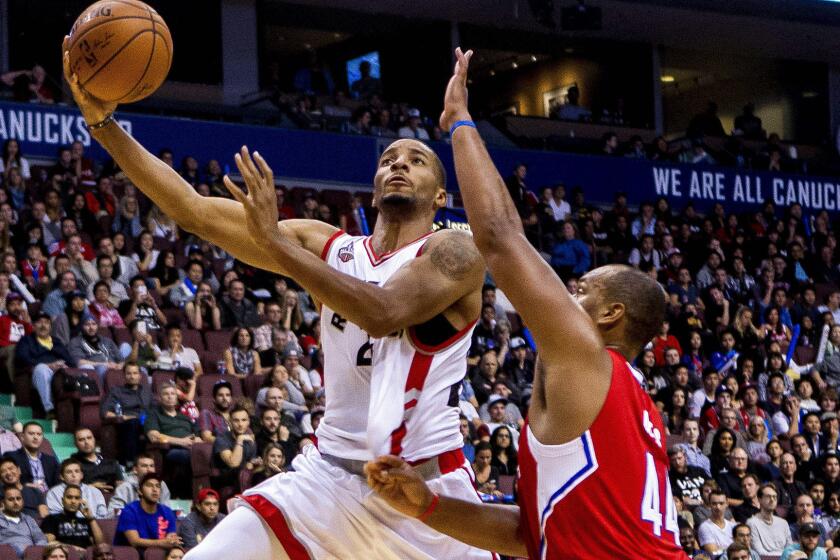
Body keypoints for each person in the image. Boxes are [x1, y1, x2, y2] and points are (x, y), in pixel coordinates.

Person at [65, 41, 492, 560]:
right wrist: (104, 124)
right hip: (326, 481)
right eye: (388, 160)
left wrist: (275, 245)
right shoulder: (325, 244)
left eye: (417, 160)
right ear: (374, 188)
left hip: (427, 495)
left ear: (440, 196)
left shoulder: (455, 251)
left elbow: (383, 313)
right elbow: (193, 211)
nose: (399, 164)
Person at [364, 47, 686, 559]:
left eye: (580, 290)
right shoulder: (617, 400)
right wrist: (427, 505)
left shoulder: (588, 359)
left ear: (610, 316)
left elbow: (498, 237)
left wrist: (461, 122)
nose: (563, 292)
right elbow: (530, 534)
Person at [143, 383, 200, 499]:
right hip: (169, 450)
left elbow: (198, 435)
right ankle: (185, 497)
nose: (170, 396)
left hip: (192, 449)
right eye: (166, 394)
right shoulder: (153, 414)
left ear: (176, 397)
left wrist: (197, 441)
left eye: (173, 394)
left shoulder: (185, 417)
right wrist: (182, 441)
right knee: (186, 456)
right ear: (160, 398)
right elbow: (153, 436)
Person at [15, 312, 74, 417]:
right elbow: (22, 357)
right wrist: (48, 365)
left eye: (46, 323)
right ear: (33, 326)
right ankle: (49, 409)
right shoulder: (26, 340)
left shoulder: (56, 342)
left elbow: (70, 361)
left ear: (50, 327)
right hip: (36, 374)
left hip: (58, 373)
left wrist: (62, 364)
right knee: (41, 368)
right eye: (39, 322)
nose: (43, 325)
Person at [100, 362, 152, 464]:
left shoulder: (146, 392)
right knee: (133, 423)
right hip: (128, 423)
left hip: (147, 422)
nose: (132, 376)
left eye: (135, 373)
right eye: (129, 373)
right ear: (124, 376)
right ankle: (130, 463)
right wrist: (121, 417)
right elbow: (105, 412)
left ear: (140, 375)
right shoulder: (117, 391)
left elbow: (155, 409)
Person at [114, 472, 181, 550]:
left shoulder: (167, 512)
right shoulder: (129, 511)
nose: (155, 489)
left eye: (158, 486)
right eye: (149, 485)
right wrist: (162, 543)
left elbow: (170, 540)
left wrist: (171, 541)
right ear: (140, 491)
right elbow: (134, 542)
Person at [41, 483, 104, 552]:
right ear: (62, 500)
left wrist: (91, 518)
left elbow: (100, 545)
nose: (73, 501)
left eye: (77, 498)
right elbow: (50, 544)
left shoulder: (87, 521)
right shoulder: (51, 519)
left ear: (81, 501)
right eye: (69, 497)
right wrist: (73, 549)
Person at [2, 421, 60, 492]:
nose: (35, 437)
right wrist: (23, 486)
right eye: (31, 434)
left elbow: (58, 484)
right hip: (24, 495)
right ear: (22, 437)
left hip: (49, 496)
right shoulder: (11, 457)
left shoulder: (51, 460)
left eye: (39, 434)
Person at [0, 486, 48, 557]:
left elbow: (41, 539)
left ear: (22, 501)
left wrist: (35, 551)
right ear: (3, 503)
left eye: (18, 499)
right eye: (11, 499)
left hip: (32, 555)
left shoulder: (29, 520)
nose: (16, 502)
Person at [70, 428, 122, 493]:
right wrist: (90, 487)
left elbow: (121, 488)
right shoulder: (72, 465)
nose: (86, 442)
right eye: (81, 440)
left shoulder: (112, 462)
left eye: (89, 438)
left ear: (94, 440)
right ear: (75, 444)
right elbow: (69, 489)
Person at [747, 484, 793, 556]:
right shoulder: (752, 523)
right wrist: (784, 555)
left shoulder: (783, 523)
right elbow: (759, 552)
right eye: (768, 496)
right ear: (759, 499)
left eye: (774, 497)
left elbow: (790, 549)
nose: (772, 500)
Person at [697, 488, 738, 556]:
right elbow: (714, 553)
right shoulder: (705, 527)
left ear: (727, 504)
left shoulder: (733, 526)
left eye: (721, 503)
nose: (718, 507)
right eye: (714, 504)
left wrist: (722, 549)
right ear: (709, 504)